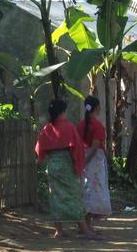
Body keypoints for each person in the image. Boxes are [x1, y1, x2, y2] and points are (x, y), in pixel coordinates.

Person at [34, 99, 98, 239]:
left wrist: (40, 161)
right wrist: (78, 165)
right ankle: (85, 230)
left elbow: (40, 150)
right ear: (63, 112)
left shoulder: (47, 129)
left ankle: (59, 230)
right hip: (66, 165)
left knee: (55, 196)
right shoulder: (69, 127)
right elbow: (78, 149)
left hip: (52, 166)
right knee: (73, 196)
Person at [80, 95, 112, 234]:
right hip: (94, 160)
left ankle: (84, 224)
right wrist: (87, 160)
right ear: (98, 108)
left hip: (83, 158)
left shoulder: (81, 124)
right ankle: (87, 225)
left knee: (85, 190)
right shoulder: (97, 125)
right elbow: (95, 146)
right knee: (94, 190)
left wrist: (82, 160)